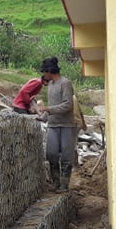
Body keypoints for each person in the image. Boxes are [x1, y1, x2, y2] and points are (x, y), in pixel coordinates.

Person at [35, 57, 76, 193]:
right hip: (53, 124)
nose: (44, 75)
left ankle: (64, 185)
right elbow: (52, 106)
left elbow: (68, 105)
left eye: (44, 72)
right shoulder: (51, 85)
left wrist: (48, 109)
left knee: (66, 156)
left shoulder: (65, 83)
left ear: (49, 71)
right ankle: (56, 182)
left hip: (66, 125)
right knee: (51, 154)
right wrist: (43, 117)